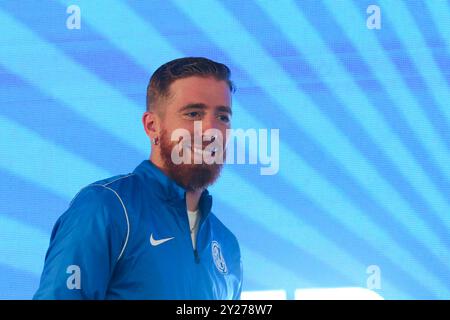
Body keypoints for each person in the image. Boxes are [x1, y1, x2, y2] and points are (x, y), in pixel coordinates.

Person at [34, 57, 243, 299]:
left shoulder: (227, 245)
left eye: (223, 117)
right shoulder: (105, 207)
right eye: (193, 113)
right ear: (152, 126)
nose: (210, 131)